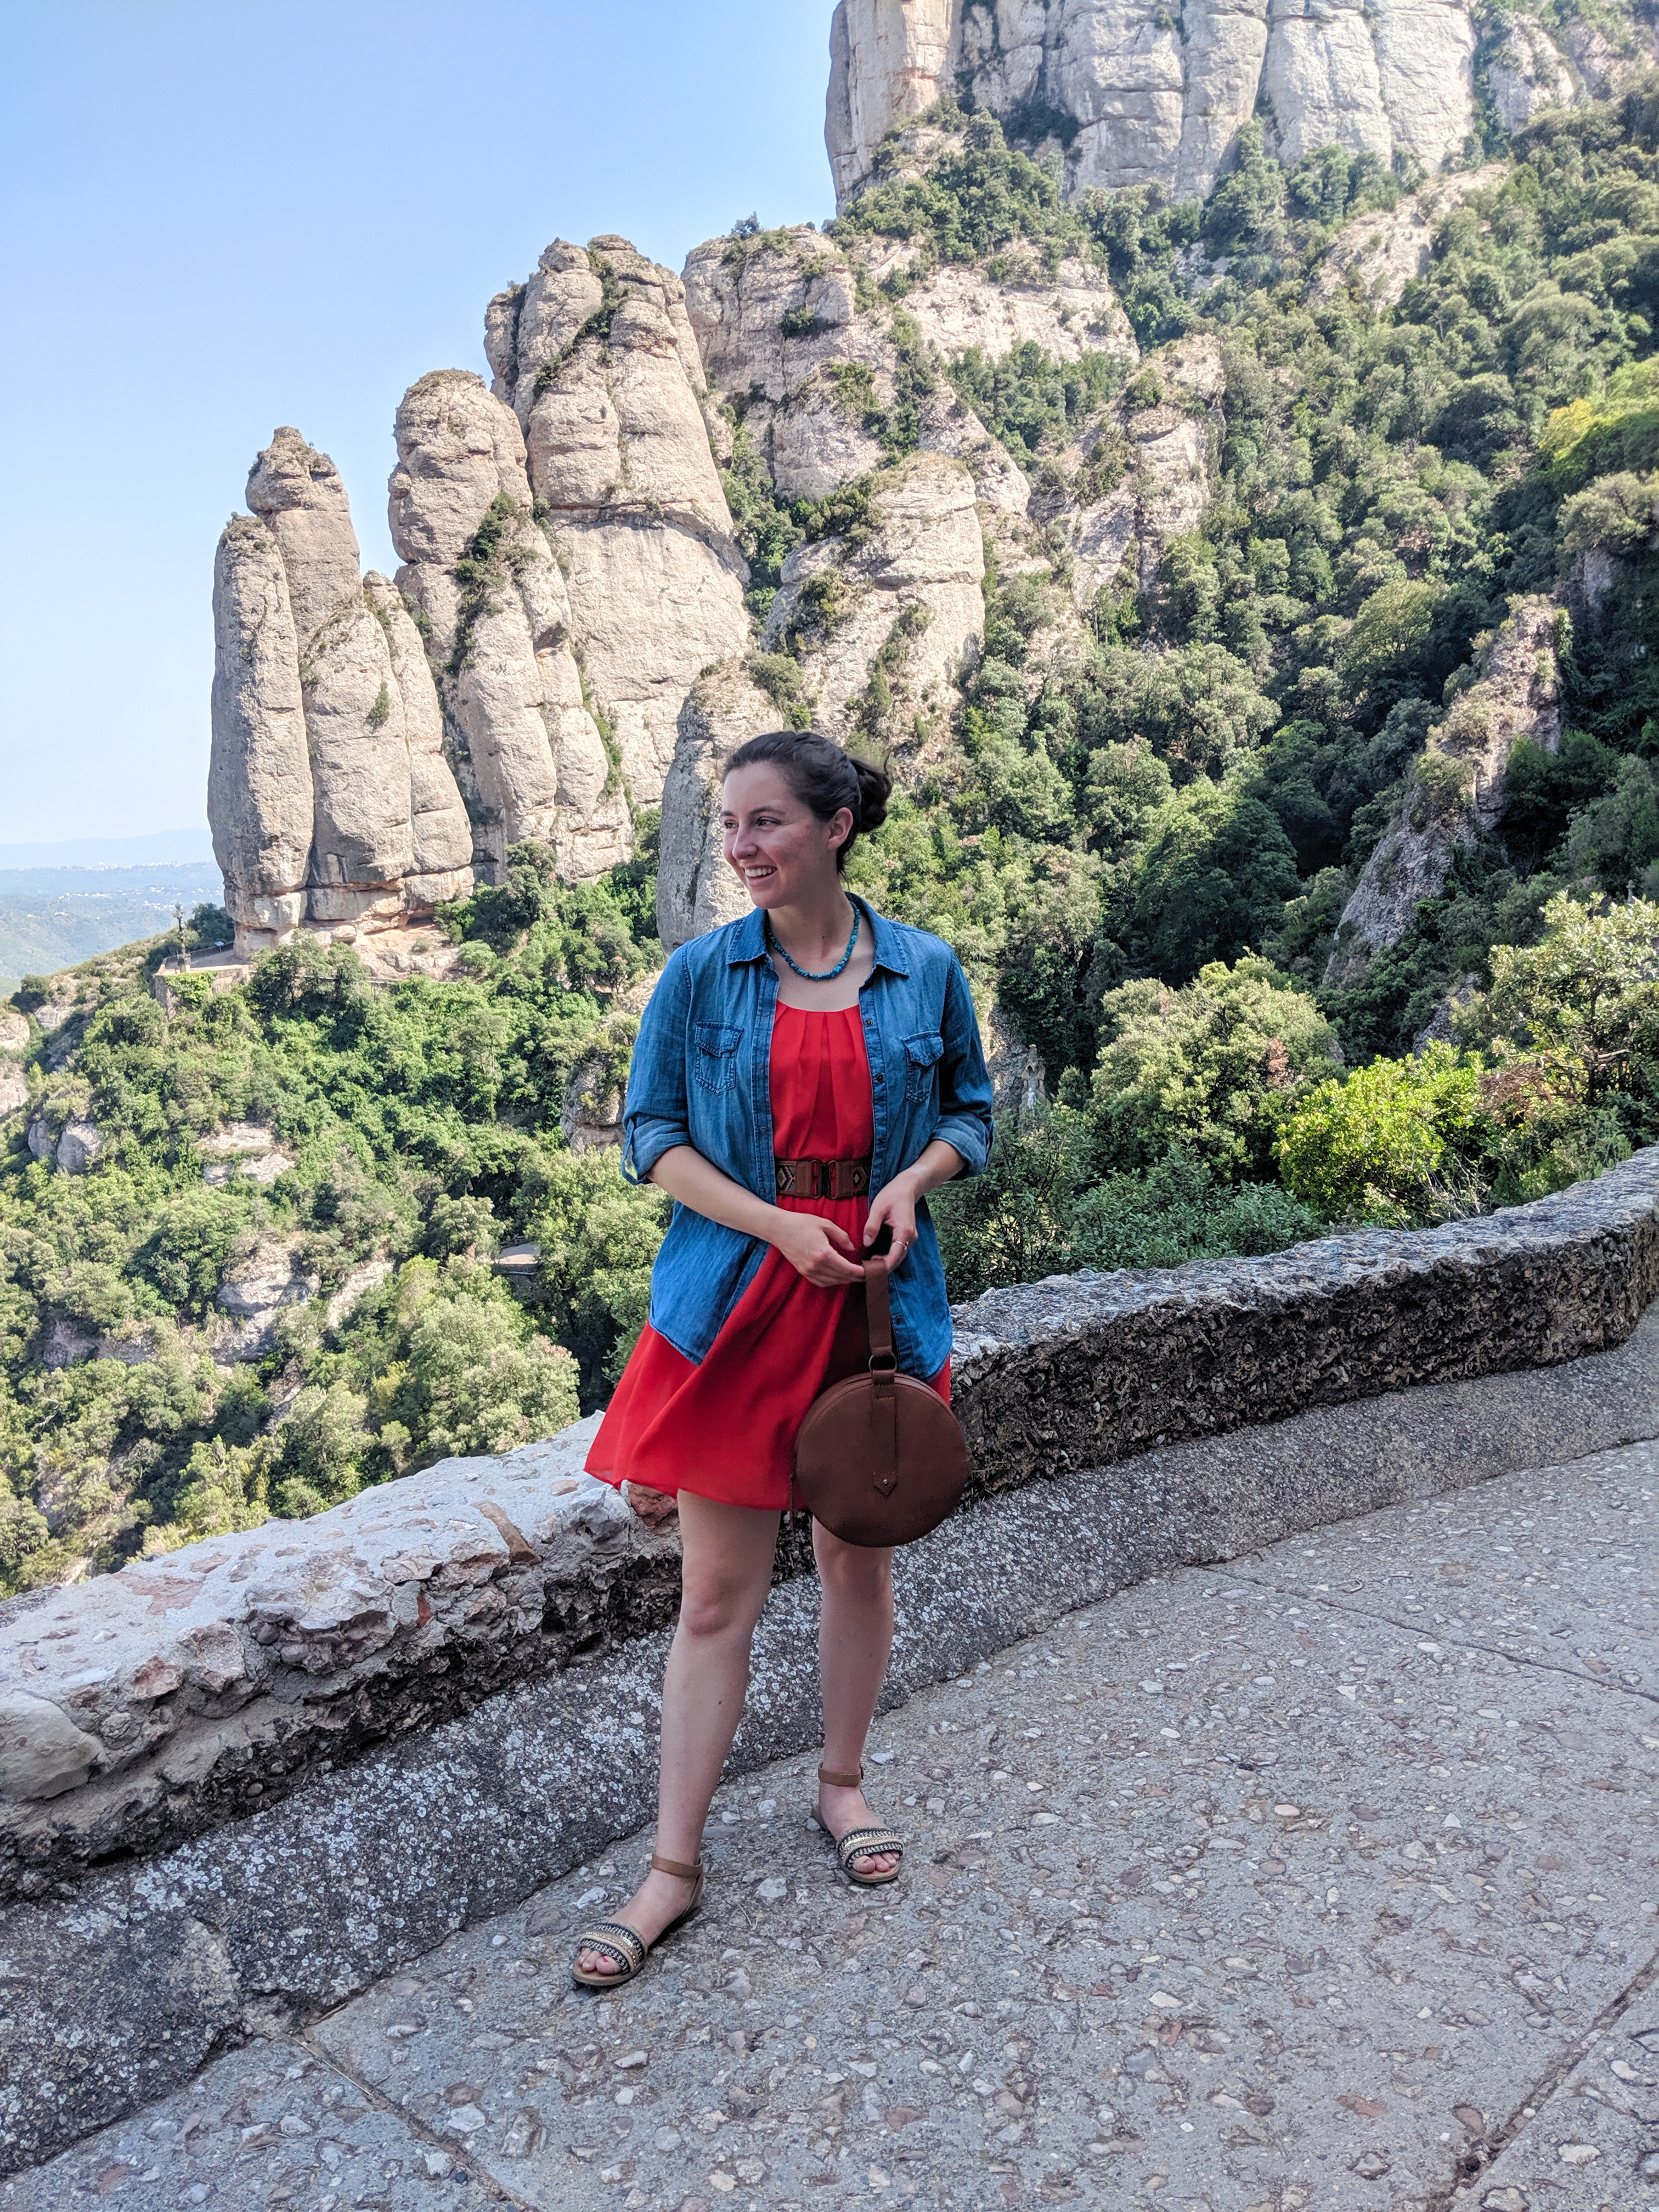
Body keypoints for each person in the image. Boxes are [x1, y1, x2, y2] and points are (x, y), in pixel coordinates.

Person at [571, 729, 994, 1988]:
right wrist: (773, 1227)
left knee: (858, 1571)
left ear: (835, 828)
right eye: (734, 824)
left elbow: (971, 1110)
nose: (744, 848)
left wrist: (917, 1180)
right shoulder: (701, 977)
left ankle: (843, 1789)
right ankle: (674, 1868)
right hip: (740, 1305)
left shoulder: (924, 971)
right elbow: (650, 1137)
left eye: (767, 824)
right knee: (714, 1599)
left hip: (875, 1310)